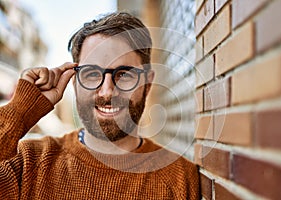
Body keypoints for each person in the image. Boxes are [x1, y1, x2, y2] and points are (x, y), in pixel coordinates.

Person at [0, 12, 200, 199]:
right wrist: (19, 112)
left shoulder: (181, 177)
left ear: (147, 83)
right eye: (92, 74)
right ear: (75, 82)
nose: (107, 92)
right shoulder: (28, 163)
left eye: (124, 75)